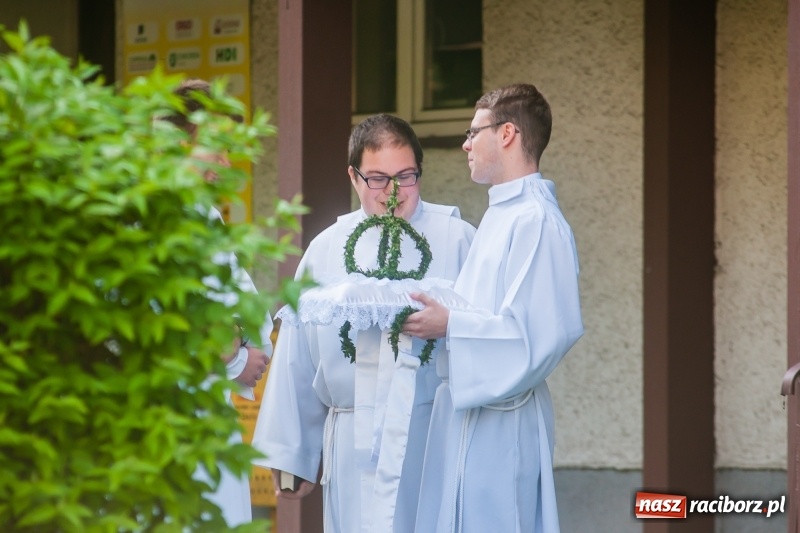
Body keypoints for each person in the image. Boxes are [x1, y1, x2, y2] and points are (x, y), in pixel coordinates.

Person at [251, 114, 476, 532]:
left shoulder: (458, 240)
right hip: (352, 440)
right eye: (377, 179)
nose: (393, 193)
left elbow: (486, 338)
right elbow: (296, 358)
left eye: (406, 176)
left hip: (432, 434)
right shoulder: (327, 249)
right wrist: (291, 456)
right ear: (354, 177)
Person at [402, 83, 584, 533]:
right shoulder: (501, 215)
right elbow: (487, 311)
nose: (465, 143)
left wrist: (451, 324)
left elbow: (539, 337)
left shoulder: (536, 221)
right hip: (470, 416)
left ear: (506, 134)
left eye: (473, 131)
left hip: (505, 422)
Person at [165, 78, 272, 526]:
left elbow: (245, 302)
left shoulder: (203, 213)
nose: (227, 164)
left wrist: (242, 346)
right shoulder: (151, 214)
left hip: (207, 410)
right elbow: (176, 316)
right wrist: (233, 359)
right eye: (217, 149)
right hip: (168, 417)